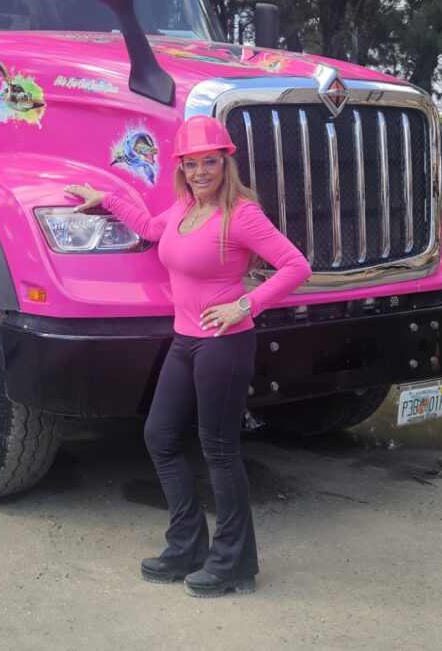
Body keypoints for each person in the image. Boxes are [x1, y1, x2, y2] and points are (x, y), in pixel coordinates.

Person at [65, 114, 311, 598]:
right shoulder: (181, 208)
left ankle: (233, 561)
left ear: (226, 163)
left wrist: (245, 303)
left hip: (225, 342)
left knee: (219, 449)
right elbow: (149, 229)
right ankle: (186, 545)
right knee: (159, 436)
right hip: (185, 340)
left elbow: (296, 265)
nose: (202, 171)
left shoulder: (241, 213)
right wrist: (108, 200)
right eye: (193, 163)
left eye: (211, 162)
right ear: (181, 167)